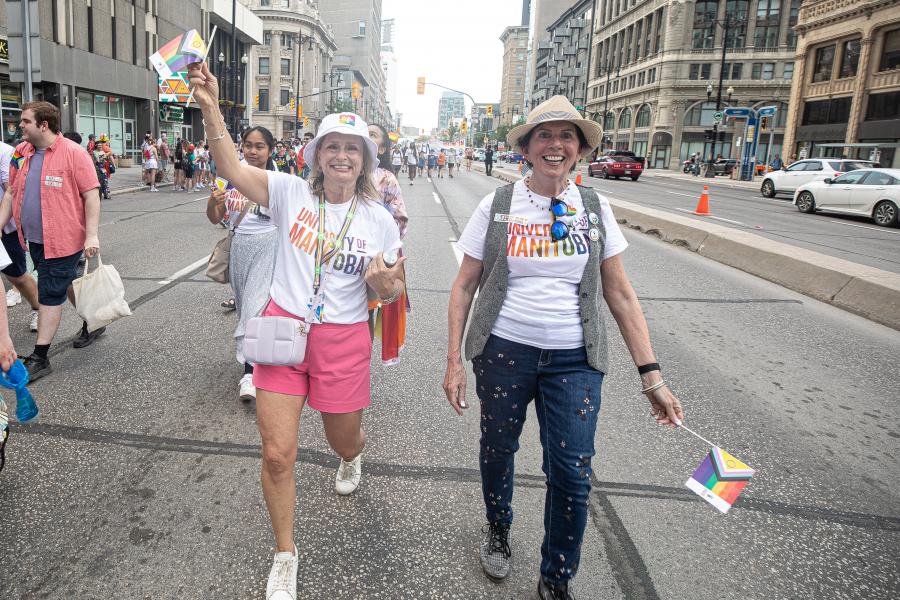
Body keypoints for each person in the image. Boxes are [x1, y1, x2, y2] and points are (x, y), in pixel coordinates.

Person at [442, 96, 684, 600]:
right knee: (498, 450)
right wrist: (453, 362)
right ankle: (499, 530)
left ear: (580, 150)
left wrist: (652, 374)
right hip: (505, 351)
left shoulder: (594, 207)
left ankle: (556, 578)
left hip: (575, 360)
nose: (556, 145)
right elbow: (465, 285)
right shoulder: (499, 205)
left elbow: (618, 292)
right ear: (527, 149)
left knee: (572, 471)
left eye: (567, 136)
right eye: (545, 136)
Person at [189, 61, 406, 600]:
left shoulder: (378, 219)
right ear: (316, 155)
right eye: (332, 145)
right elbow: (234, 170)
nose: (341, 156)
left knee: (342, 436)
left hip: (343, 338)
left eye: (352, 148)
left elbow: (397, 288)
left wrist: (385, 285)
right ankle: (285, 554)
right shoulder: (289, 192)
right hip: (284, 329)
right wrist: (212, 107)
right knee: (276, 453)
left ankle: (353, 455)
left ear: (365, 161)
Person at [0, 101, 104, 382]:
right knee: (65, 281)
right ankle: (95, 321)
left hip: (64, 238)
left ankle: (41, 356)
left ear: (43, 125)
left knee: (49, 291)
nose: (19, 125)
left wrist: (91, 234)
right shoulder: (22, 152)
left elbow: (91, 196)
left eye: (25, 121)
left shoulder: (74, 154)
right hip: (33, 238)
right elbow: (10, 193)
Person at [206, 126, 278, 402]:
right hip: (239, 247)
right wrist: (215, 203)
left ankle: (250, 373)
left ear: (270, 150)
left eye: (260, 146)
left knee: (254, 307)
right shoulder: (227, 178)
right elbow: (215, 218)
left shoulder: (278, 180)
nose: (253, 151)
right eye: (248, 145)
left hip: (269, 246)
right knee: (245, 307)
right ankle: (259, 356)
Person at [0, 139, 39, 333]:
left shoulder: (6, 153)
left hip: (6, 226)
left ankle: (38, 309)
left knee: (17, 276)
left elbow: (11, 190)